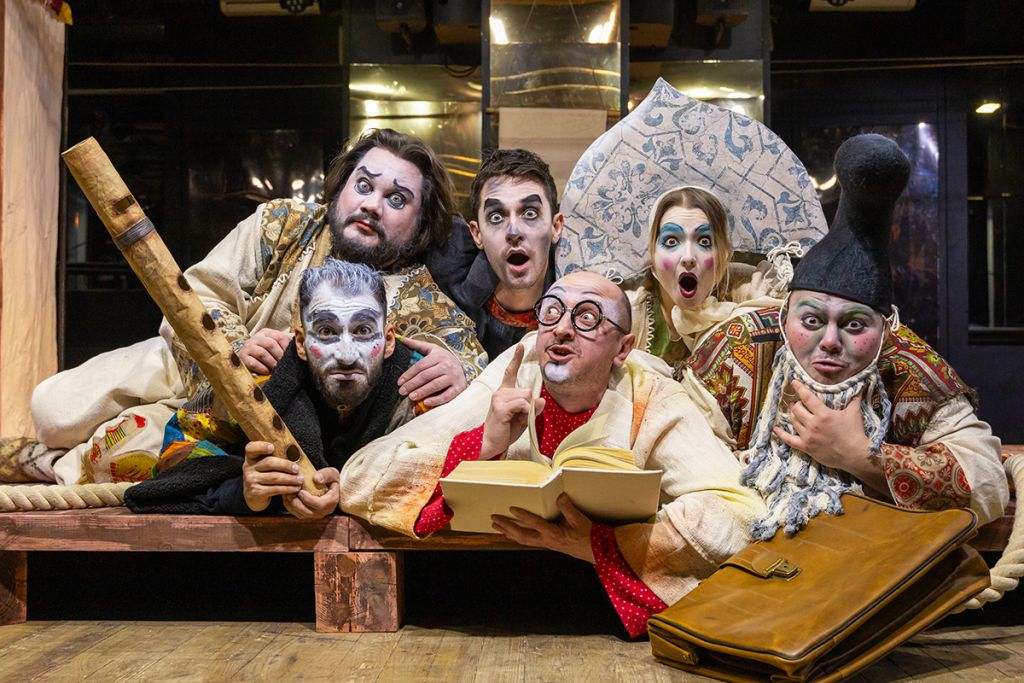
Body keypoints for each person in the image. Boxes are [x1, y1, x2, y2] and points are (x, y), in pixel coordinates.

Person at [24, 128, 487, 486]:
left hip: (239, 423)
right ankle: (59, 453)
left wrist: (460, 369)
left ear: (421, 223)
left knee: (118, 455)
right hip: (189, 361)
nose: (372, 205)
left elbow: (470, 357)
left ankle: (54, 466)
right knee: (52, 409)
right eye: (363, 185)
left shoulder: (420, 299)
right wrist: (237, 348)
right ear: (341, 188)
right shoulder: (283, 223)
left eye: (397, 199)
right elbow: (198, 293)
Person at [338, 271, 766, 638]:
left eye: (587, 317)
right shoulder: (515, 373)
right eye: (552, 312)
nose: (561, 329)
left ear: (623, 348)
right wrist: (485, 443)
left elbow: (741, 516)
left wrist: (602, 545)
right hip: (483, 602)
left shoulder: (653, 399)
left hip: (602, 611)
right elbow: (362, 476)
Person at [685, 133, 1008, 538]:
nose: (830, 341)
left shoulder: (907, 365)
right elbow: (686, 450)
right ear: (784, 316)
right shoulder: (738, 347)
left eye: (854, 325)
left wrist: (861, 456)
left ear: (885, 328)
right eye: (811, 321)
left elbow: (987, 483)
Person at [125, 259, 419, 517]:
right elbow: (174, 455)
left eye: (363, 331)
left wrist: (352, 490)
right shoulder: (260, 385)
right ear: (301, 343)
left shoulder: (419, 386)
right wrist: (243, 492)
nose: (346, 355)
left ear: (388, 341)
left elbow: (441, 475)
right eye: (327, 331)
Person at [626, 185, 787, 381]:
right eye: (671, 241)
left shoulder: (744, 291)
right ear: (653, 254)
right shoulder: (627, 316)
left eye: (704, 241)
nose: (688, 257)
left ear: (724, 254)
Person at [427, 148, 563, 361]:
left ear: (555, 227)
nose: (514, 232)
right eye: (496, 217)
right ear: (477, 234)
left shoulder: (583, 304)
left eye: (530, 213)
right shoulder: (449, 302)